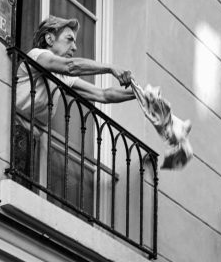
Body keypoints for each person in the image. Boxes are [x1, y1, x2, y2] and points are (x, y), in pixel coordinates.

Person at [12, 15, 135, 181]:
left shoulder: (61, 76)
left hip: (31, 140)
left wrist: (140, 94)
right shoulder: (37, 55)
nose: (75, 47)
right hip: (13, 130)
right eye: (69, 39)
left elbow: (103, 94)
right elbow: (70, 66)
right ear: (49, 39)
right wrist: (110, 68)